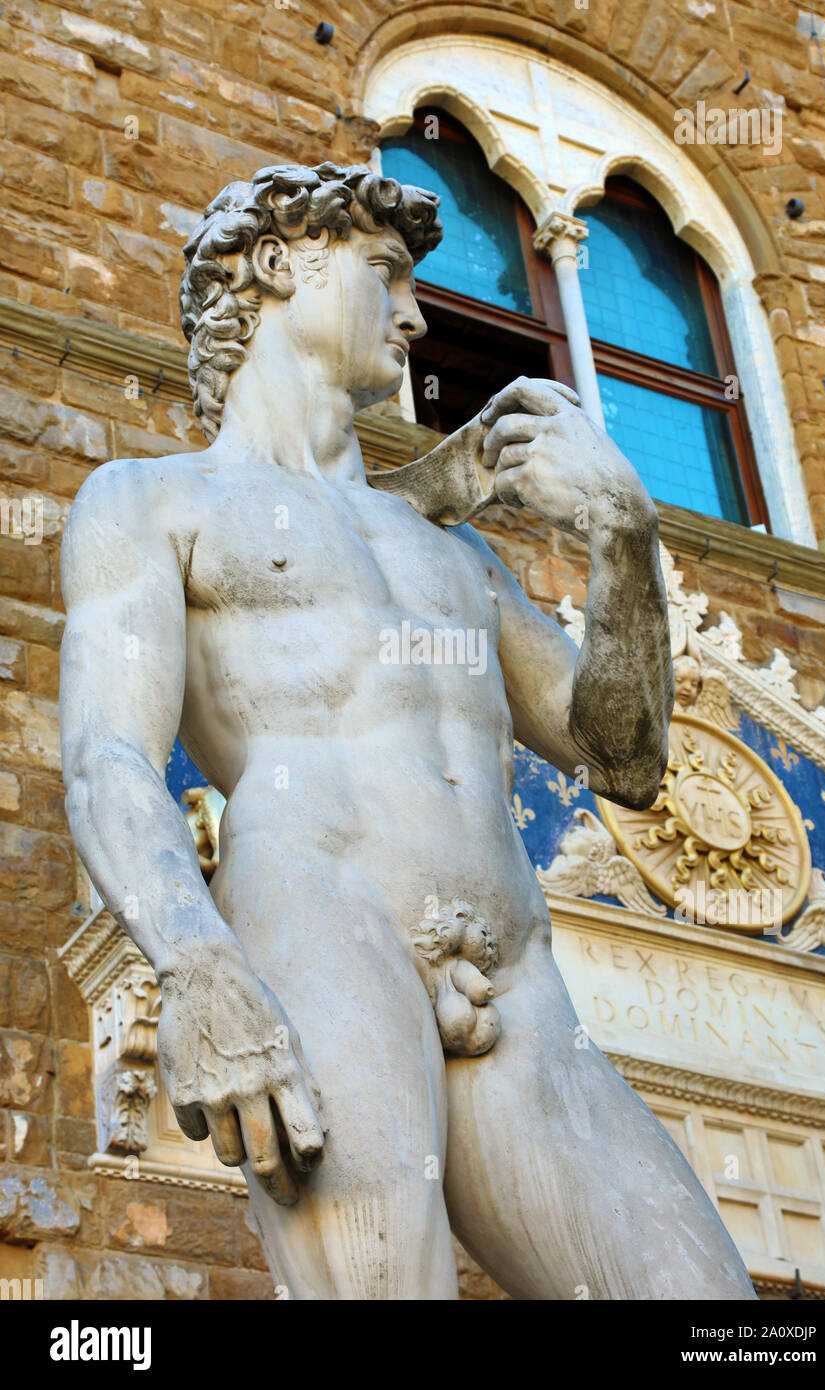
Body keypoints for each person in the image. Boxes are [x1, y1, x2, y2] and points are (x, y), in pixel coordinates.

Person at [60, 163, 755, 1300]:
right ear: (278, 265)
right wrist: (199, 966)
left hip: (518, 983)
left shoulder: (454, 551)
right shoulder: (152, 503)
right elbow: (107, 757)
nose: (417, 313)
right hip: (323, 937)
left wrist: (622, 538)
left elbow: (622, 759)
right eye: (386, 273)